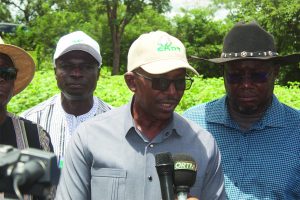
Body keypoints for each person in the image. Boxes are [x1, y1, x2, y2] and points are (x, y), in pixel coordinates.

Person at [55, 30, 225, 200]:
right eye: (161, 82)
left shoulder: (203, 145)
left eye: (180, 82)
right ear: (132, 82)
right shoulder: (89, 137)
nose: (172, 92)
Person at [183, 21, 300, 199]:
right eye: (235, 75)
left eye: (258, 75)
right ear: (223, 73)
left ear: (276, 72)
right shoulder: (192, 124)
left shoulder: (296, 129)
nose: (246, 84)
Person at [21, 31, 112, 168]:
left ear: (98, 74)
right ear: (55, 72)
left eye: (86, 67)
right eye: (67, 66)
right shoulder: (30, 122)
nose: (76, 73)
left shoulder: (117, 124)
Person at [0, 37, 53, 199]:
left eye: (6, 73)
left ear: (14, 81)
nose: (1, 79)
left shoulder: (36, 136)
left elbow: (50, 195)